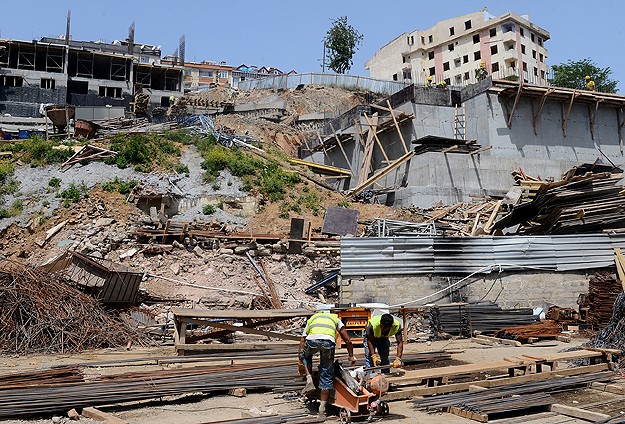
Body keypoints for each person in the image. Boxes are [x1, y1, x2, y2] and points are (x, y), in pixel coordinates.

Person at [298, 306, 356, 419]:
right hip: (328, 343)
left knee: (305, 355)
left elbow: (302, 340)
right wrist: (351, 356)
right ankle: (322, 409)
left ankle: (309, 379)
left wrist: (300, 358)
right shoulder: (335, 318)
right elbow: (348, 340)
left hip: (312, 341)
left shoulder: (313, 318)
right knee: (326, 373)